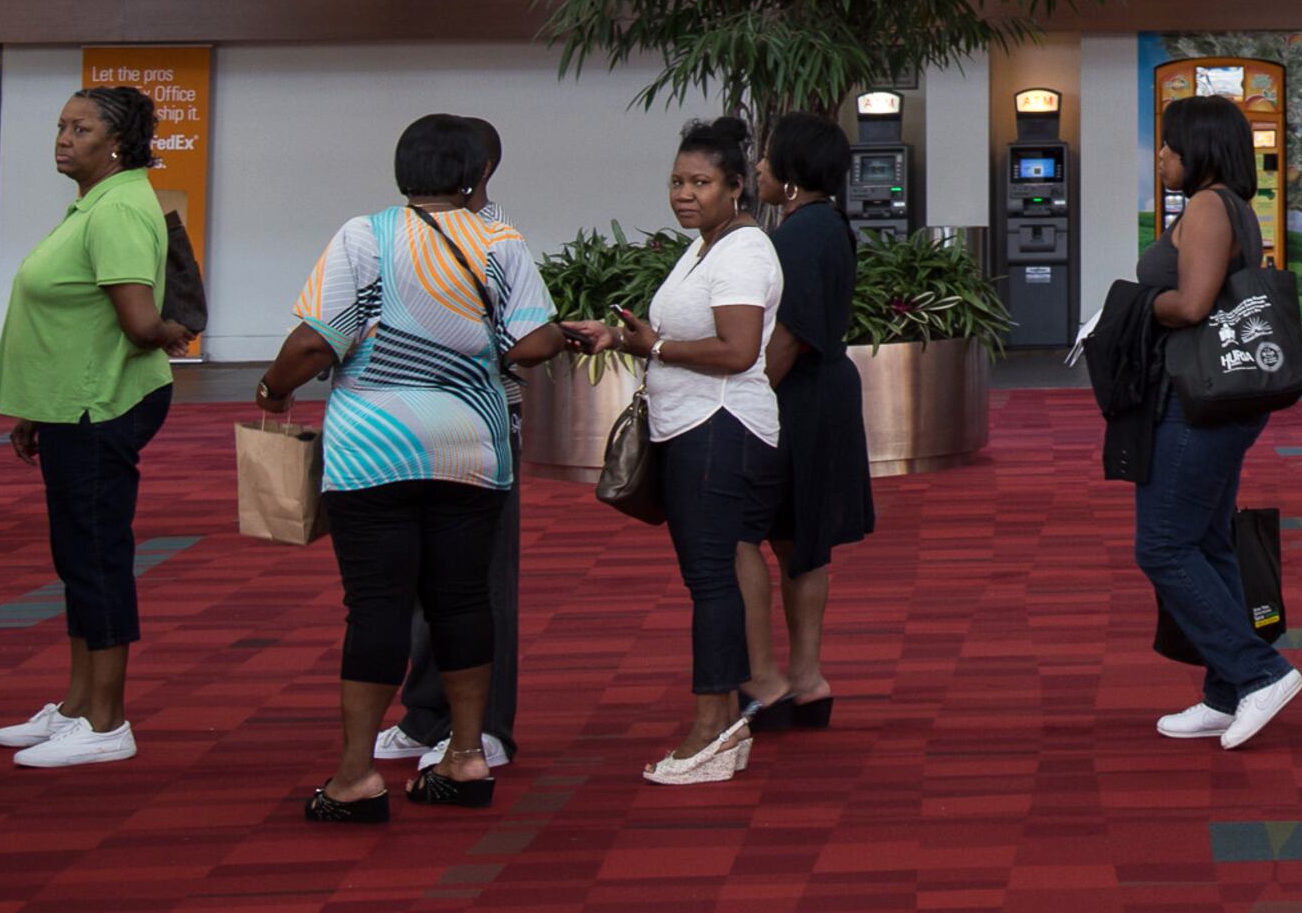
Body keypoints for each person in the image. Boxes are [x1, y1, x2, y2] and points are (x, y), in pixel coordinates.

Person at [255, 112, 580, 823]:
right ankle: (465, 758)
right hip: (471, 445)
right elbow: (536, 342)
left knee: (376, 605)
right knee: (463, 598)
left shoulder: (364, 236)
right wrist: (484, 353)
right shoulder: (500, 240)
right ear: (474, 175)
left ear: (404, 170)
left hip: (373, 449)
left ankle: (355, 777)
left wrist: (273, 387)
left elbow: (316, 342)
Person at [0, 86, 186, 767]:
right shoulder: (96, 203)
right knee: (77, 557)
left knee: (98, 558)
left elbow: (137, 324)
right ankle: (75, 705)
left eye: (81, 128)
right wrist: (39, 406)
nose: (63, 137)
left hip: (103, 404)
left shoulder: (121, 208)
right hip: (72, 403)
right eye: (62, 125)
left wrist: (174, 331)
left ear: (117, 143)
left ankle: (107, 722)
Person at [597, 115, 791, 786]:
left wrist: (650, 346)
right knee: (714, 577)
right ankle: (725, 726)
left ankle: (713, 728)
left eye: (701, 182)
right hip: (697, 427)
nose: (684, 193)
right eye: (677, 181)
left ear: (736, 187)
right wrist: (627, 336)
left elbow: (738, 352)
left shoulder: (740, 250)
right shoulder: (708, 245)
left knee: (710, 582)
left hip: (720, 427)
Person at [1135, 92, 1302, 750]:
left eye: (1168, 145)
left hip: (1197, 401)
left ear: (1197, 148)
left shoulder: (1210, 207)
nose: (1160, 156)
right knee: (1207, 542)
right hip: (1216, 399)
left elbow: (1192, 304)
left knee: (1162, 545)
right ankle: (1225, 689)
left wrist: (1128, 307)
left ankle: (1258, 672)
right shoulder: (1228, 205)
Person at [388, 118, 524, 776]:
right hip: (406, 431)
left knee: (481, 584)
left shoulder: (498, 241)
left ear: (477, 173)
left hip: (479, 432)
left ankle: (488, 727)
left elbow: (522, 339)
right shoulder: (389, 235)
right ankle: (426, 715)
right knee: (420, 580)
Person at [761, 110, 875, 728]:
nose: (757, 165)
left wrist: (750, 396)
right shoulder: (824, 223)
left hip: (799, 400)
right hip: (820, 393)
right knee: (798, 543)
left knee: (770, 536)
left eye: (766, 155)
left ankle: (786, 677)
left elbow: (791, 335)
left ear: (790, 171)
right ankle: (805, 678)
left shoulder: (802, 233)